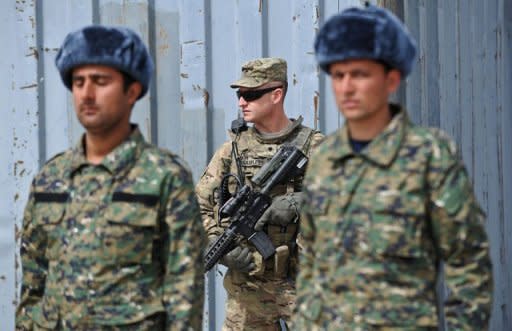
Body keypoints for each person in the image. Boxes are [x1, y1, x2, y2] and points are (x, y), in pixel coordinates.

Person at [294, 5, 493, 330]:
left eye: (359, 74)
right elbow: (312, 257)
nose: (346, 87)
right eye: (339, 75)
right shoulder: (325, 159)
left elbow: (468, 260)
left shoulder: (428, 156)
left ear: (391, 80)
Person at [15, 25, 205, 330]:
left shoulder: (164, 177)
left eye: (100, 82)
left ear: (132, 91)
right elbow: (32, 285)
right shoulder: (50, 179)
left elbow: (185, 290)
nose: (86, 94)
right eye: (78, 82)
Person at [196, 57, 323, 330]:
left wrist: (297, 201)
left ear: (277, 95)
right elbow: (200, 207)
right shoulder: (231, 151)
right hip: (248, 289)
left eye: (251, 95)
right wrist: (219, 243)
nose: (242, 102)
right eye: (240, 95)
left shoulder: (314, 146)